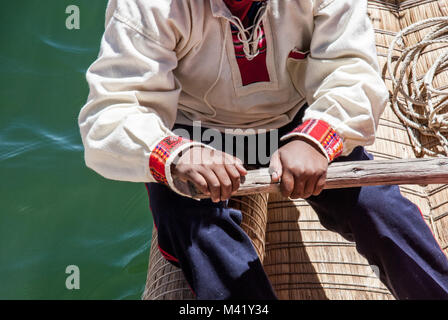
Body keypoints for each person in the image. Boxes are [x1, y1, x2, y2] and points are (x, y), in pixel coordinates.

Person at [79, 0, 448, 300]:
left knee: (378, 208)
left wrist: (314, 139)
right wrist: (176, 155)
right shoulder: (146, 6)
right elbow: (112, 110)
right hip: (193, 135)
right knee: (199, 236)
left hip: (295, 118)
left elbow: (351, 71)